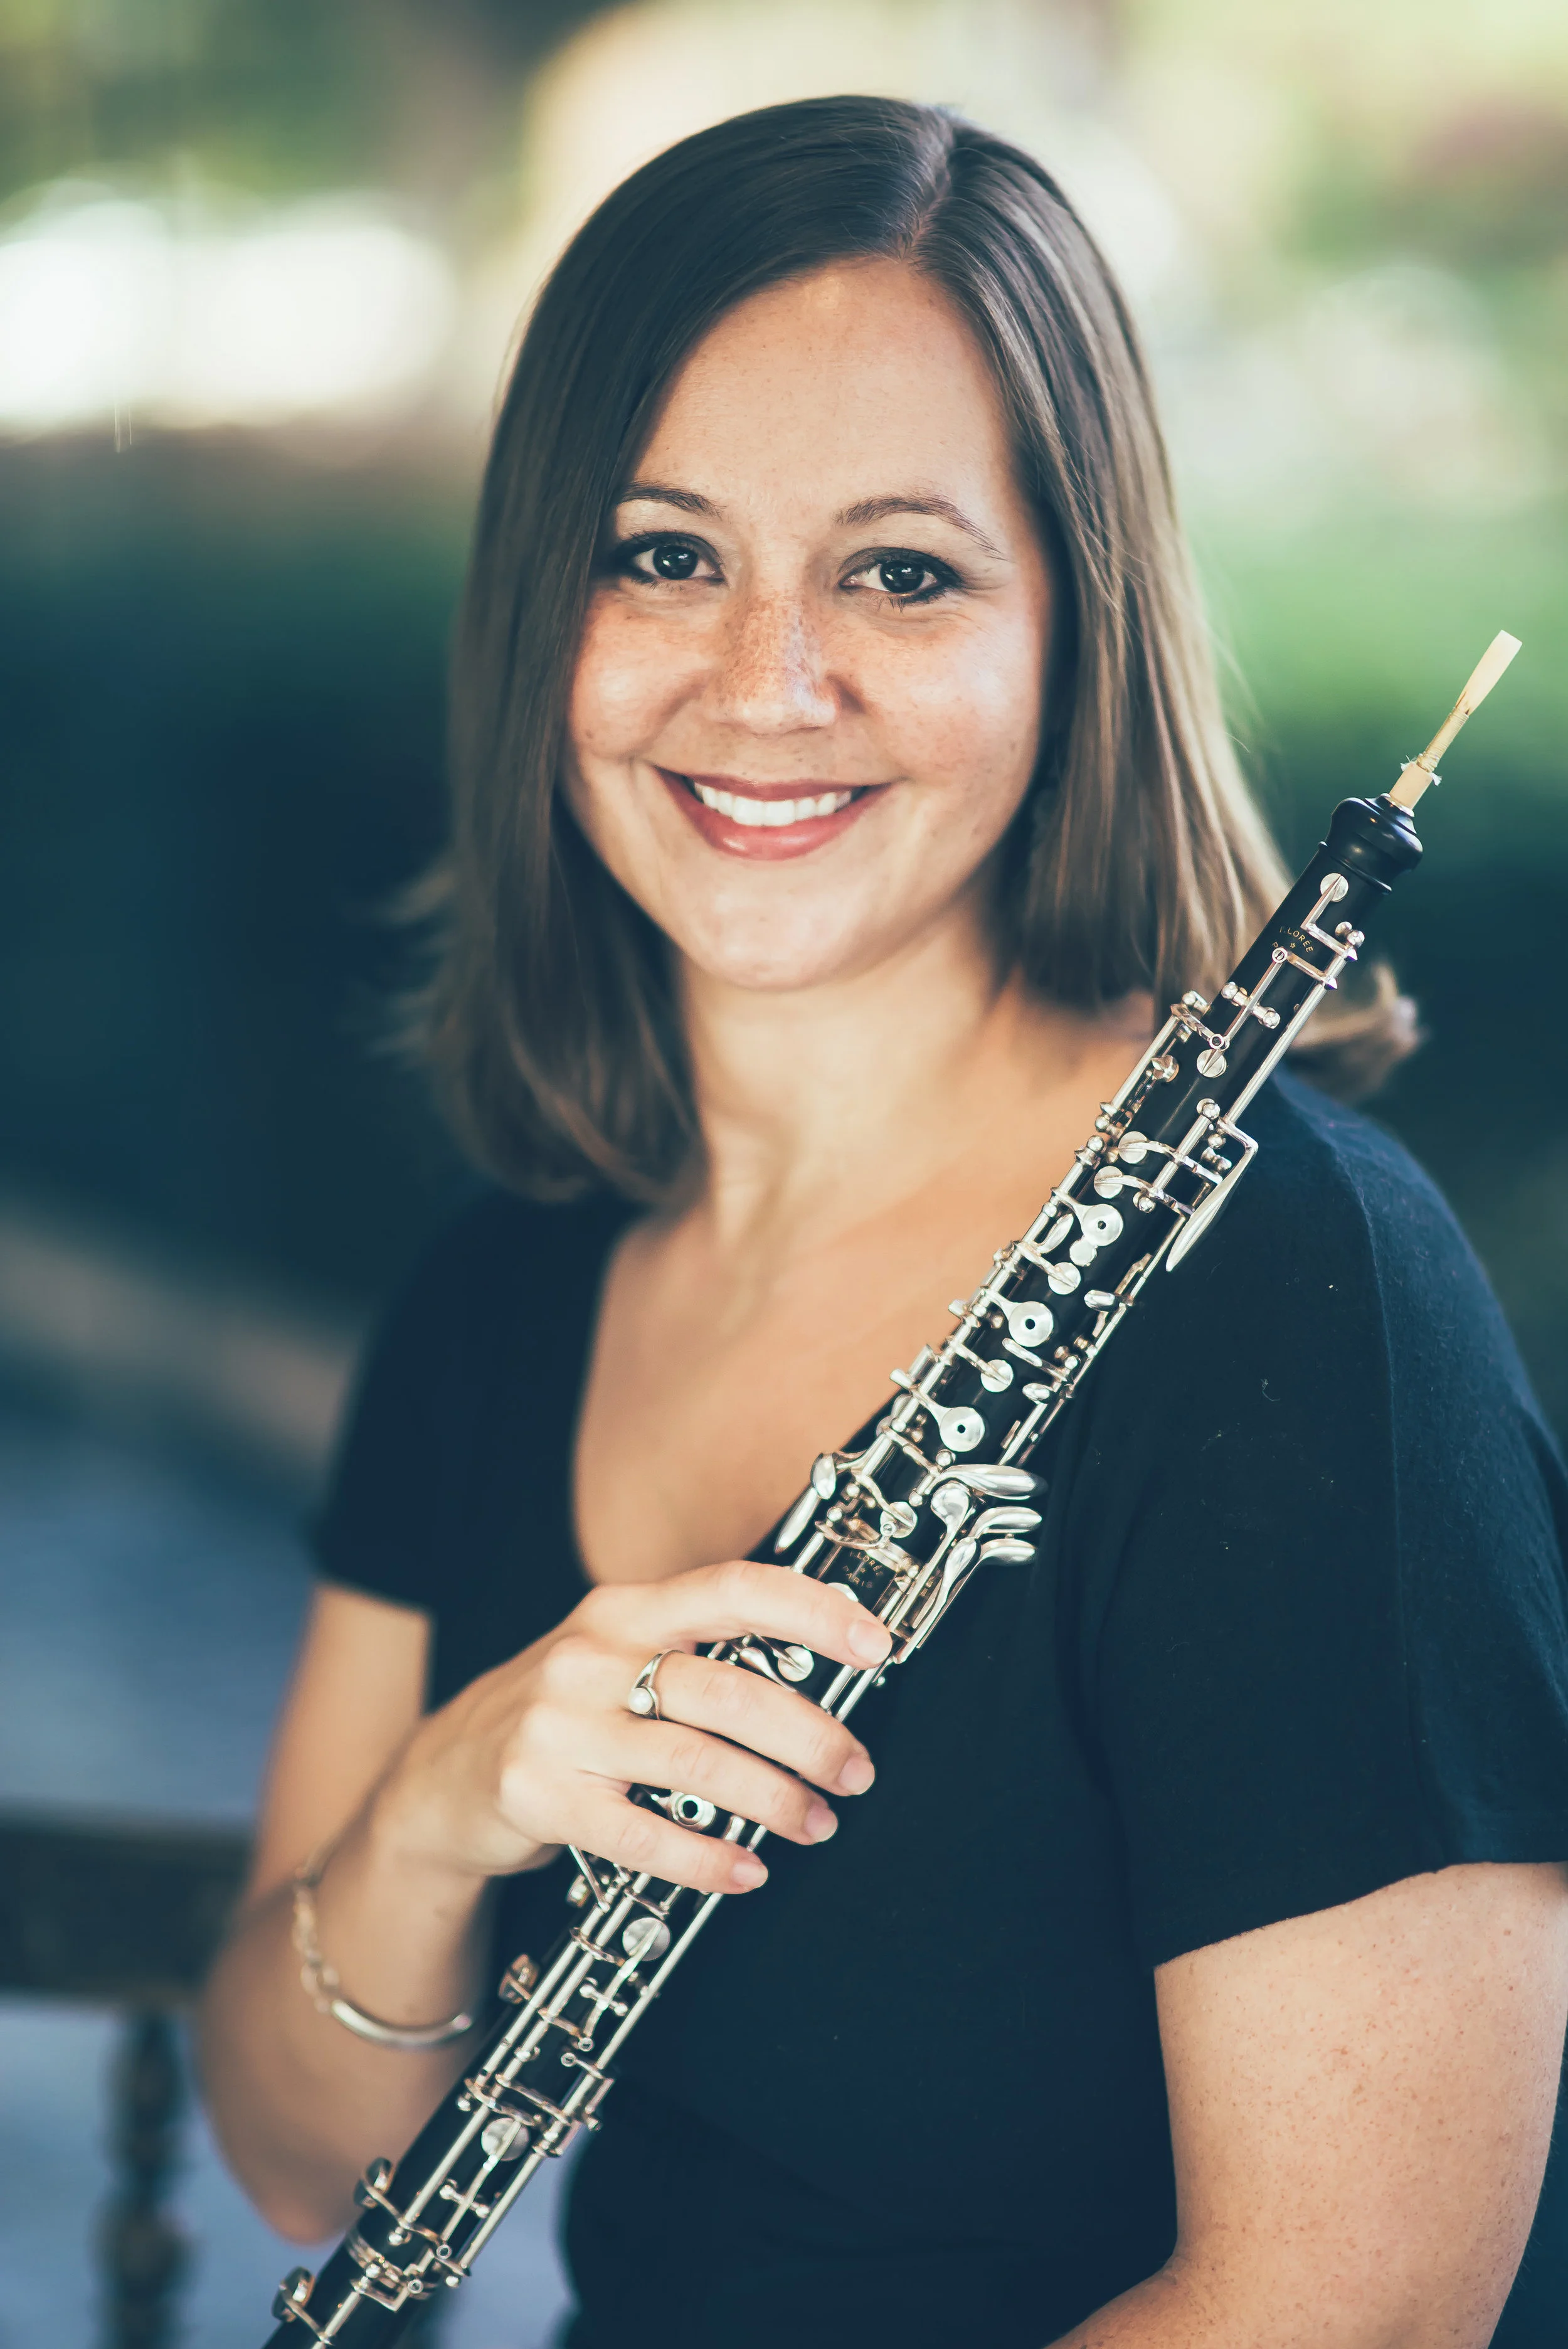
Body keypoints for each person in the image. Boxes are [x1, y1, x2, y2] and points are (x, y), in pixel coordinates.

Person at [198, 98, 1568, 2349]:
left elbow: (1356, 2309)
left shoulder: (1297, 1300)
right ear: (541, 610)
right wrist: (437, 1813)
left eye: (901, 573)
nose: (765, 681)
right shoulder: (504, 1288)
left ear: (1070, 630)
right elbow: (288, 2152)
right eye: (662, 554)